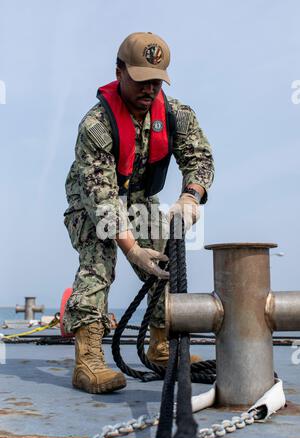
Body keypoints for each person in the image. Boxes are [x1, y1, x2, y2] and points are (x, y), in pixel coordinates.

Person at [63, 32, 215, 394]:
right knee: (98, 262)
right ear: (119, 72)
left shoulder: (176, 114)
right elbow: (102, 202)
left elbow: (199, 159)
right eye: (141, 80)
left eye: (156, 81)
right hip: (92, 201)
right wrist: (131, 249)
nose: (150, 89)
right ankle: (87, 360)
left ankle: (161, 348)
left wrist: (191, 196)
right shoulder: (96, 126)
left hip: (140, 199)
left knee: (164, 262)